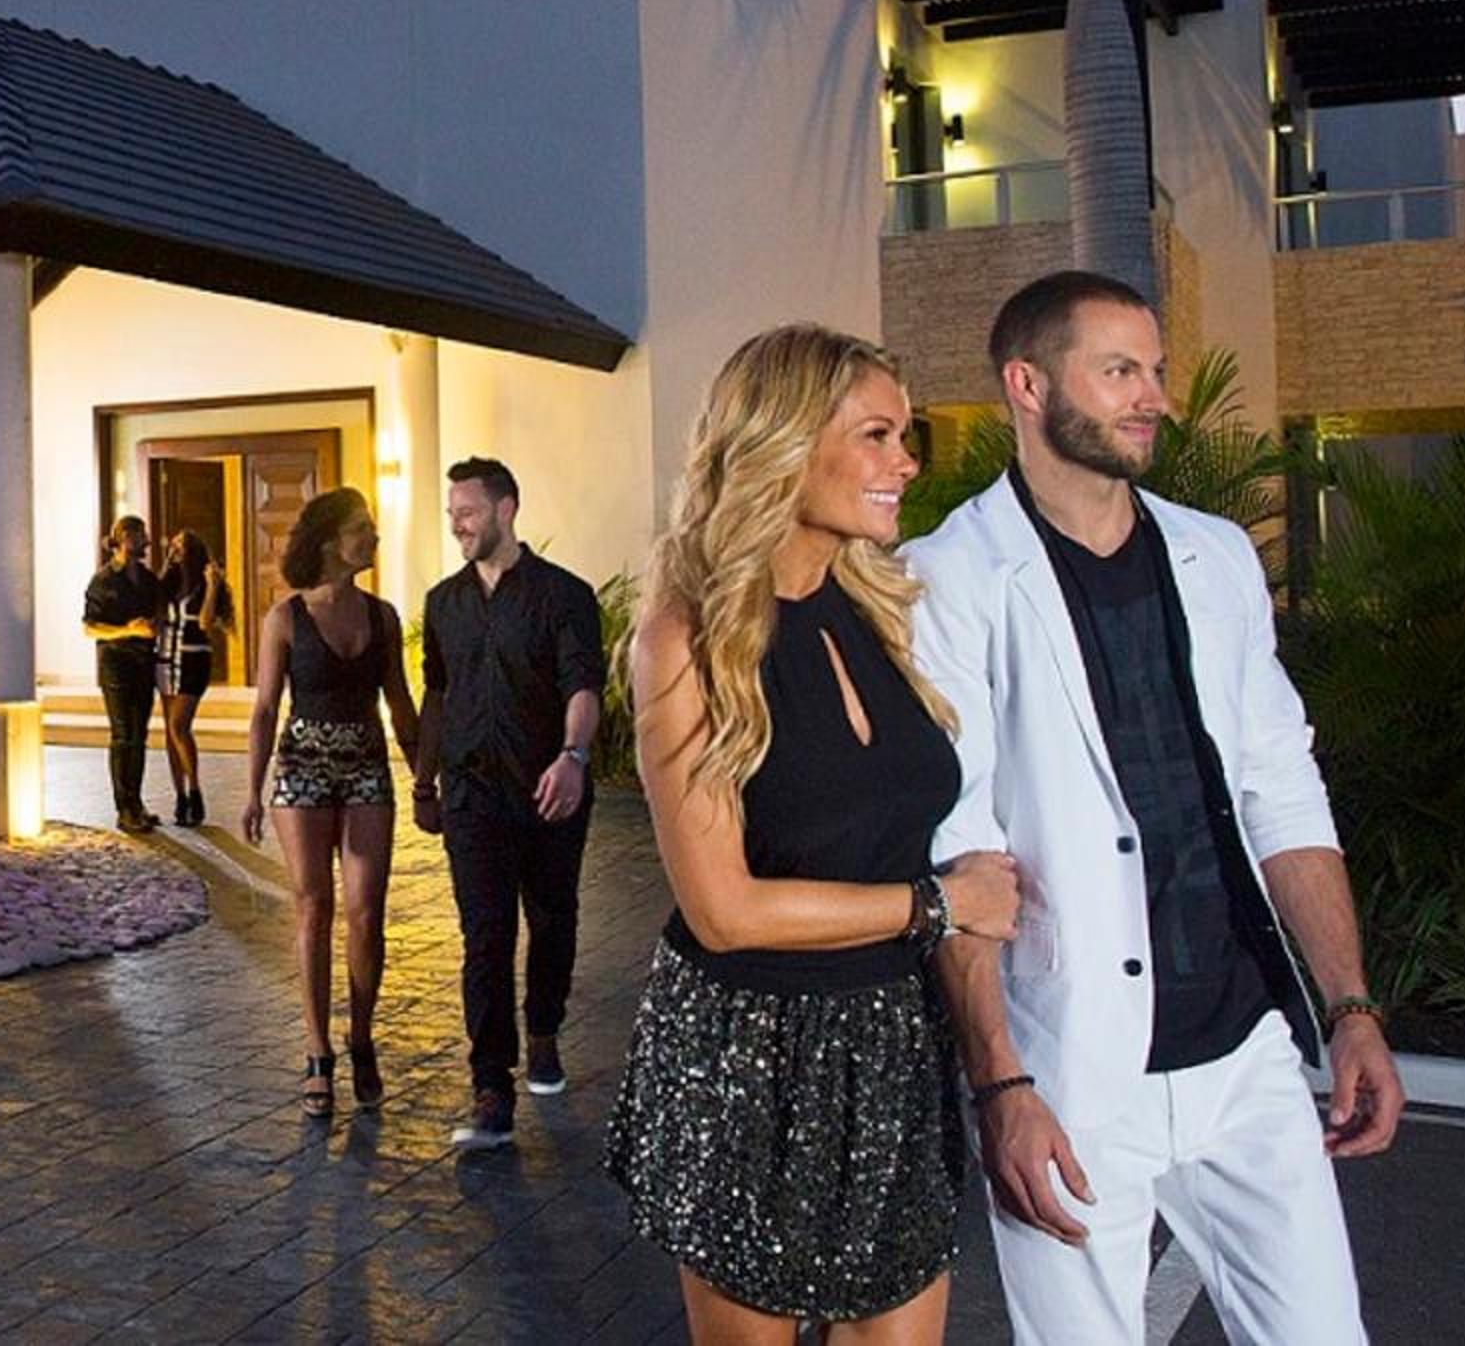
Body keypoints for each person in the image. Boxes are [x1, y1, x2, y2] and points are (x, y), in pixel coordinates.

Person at [906, 271, 1399, 1345]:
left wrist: (1350, 1008)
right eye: (1120, 370)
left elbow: (1280, 786)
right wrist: (1001, 1083)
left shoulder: (1214, 553)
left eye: (1157, 371)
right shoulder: (948, 578)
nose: (1155, 398)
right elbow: (959, 852)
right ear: (1028, 384)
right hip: (1073, 1068)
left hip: (1245, 1050)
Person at [605, 324, 1021, 1343]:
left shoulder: (880, 606)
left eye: (904, 436)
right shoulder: (686, 638)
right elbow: (724, 909)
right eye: (877, 435)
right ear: (783, 443)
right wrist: (940, 904)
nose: (906, 462)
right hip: (749, 1053)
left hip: (892, 1045)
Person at [411, 457, 606, 1152]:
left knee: (552, 919)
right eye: (452, 514)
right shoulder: (444, 603)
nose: (457, 525)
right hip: (471, 796)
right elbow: (438, 694)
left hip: (549, 791)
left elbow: (583, 686)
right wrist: (424, 781)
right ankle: (491, 1085)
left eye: (467, 512)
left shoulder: (565, 596)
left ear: (505, 509)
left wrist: (573, 757)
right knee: (485, 936)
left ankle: (544, 1027)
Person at [244, 487, 420, 1119]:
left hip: (366, 766)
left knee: (367, 912)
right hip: (303, 771)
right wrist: (253, 790)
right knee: (313, 905)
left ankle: (361, 1034)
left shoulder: (383, 616)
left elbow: (399, 700)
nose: (373, 536)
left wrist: (424, 777)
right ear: (329, 543)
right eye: (360, 528)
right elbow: (266, 708)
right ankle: (318, 1050)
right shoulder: (285, 619)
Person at [82, 515, 167, 834]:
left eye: (143, 534)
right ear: (121, 539)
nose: (142, 540)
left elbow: (160, 609)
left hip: (143, 662)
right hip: (115, 663)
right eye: (136, 534)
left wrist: (154, 626)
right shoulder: (104, 580)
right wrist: (127, 630)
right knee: (123, 735)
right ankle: (124, 808)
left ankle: (137, 802)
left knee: (139, 734)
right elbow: (90, 627)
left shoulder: (147, 578)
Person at [155, 529, 232, 827]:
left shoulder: (204, 583)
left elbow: (204, 622)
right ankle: (180, 796)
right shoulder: (168, 583)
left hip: (193, 660)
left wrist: (213, 586)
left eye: (181, 546)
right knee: (170, 731)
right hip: (165, 659)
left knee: (179, 726)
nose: (175, 550)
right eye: (173, 545)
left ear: (193, 552)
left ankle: (195, 790)